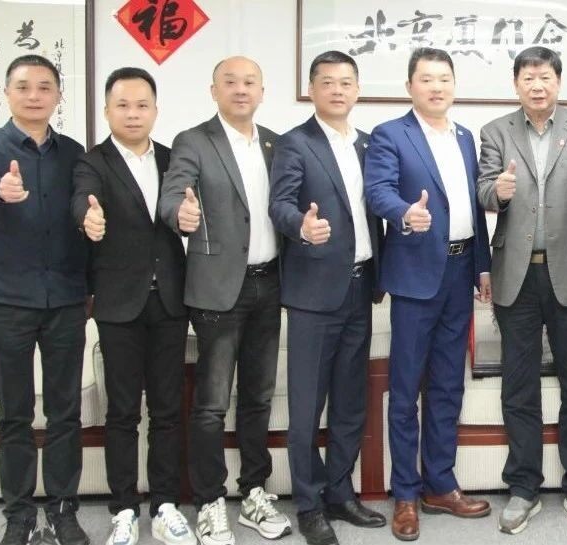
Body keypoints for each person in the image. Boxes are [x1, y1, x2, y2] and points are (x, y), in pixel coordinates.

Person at [474, 46, 567, 534]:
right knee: (519, 385)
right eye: (528, 78)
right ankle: (523, 487)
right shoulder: (495, 132)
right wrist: (498, 192)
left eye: (545, 77)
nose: (537, 85)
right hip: (516, 275)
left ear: (558, 82)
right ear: (516, 84)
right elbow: (483, 191)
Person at [157, 56, 291, 545]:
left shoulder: (276, 143)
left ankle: (254, 492)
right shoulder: (194, 141)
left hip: (269, 284)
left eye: (249, 82)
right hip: (218, 289)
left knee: (258, 398)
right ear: (213, 90)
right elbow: (172, 195)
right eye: (230, 82)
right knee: (212, 405)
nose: (240, 89)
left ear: (262, 91)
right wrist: (181, 214)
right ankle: (210, 501)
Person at [363, 47, 493, 542]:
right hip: (416, 275)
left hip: (460, 272)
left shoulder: (464, 137)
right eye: (426, 79)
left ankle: (441, 484)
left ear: (454, 85)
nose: (436, 87)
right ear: (410, 86)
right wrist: (404, 213)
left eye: (444, 78)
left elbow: (474, 209)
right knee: (406, 389)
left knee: (447, 385)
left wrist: (482, 265)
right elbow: (377, 190)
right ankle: (405, 493)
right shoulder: (390, 134)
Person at [0, 54, 89, 545]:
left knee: (64, 412)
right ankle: (19, 514)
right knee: (13, 413)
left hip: (65, 298)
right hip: (7, 299)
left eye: (44, 87)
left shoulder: (74, 152)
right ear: (8, 92)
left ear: (58, 95)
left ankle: (62, 510)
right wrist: (0, 187)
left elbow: (83, 206)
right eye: (23, 86)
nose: (34, 95)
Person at [71, 67, 195, 545]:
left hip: (169, 301)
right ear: (107, 110)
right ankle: (123, 508)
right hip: (119, 303)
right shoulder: (92, 162)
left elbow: (184, 211)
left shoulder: (171, 159)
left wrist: (191, 216)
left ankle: (164, 505)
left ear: (155, 110)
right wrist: (87, 218)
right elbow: (81, 201)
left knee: (167, 410)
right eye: (122, 105)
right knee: (122, 412)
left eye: (142, 105)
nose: (132, 113)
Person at [269, 51, 387, 545]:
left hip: (360, 286)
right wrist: (302, 225)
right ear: (312, 89)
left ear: (357, 89)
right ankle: (309, 503)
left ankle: (341, 492)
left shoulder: (369, 144)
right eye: (327, 82)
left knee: (349, 402)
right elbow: (279, 203)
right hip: (314, 293)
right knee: (306, 407)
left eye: (346, 82)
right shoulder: (295, 143)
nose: (337, 90)